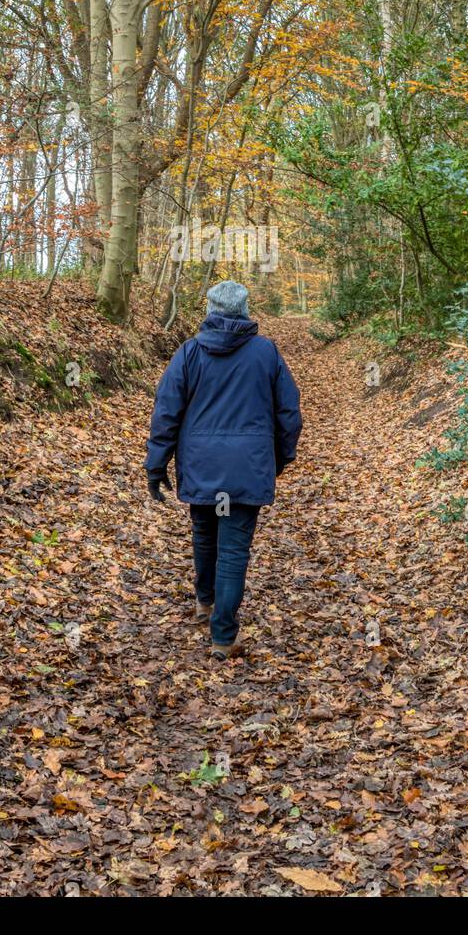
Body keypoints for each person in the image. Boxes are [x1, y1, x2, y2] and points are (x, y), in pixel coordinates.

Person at [144, 280, 302, 660]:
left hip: (203, 466)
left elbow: (166, 411)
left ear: (210, 310)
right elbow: (289, 413)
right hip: (245, 467)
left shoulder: (189, 353)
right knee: (232, 549)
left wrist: (156, 463)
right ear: (245, 310)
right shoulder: (265, 353)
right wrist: (279, 457)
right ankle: (223, 635)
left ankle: (206, 603)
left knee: (205, 533)